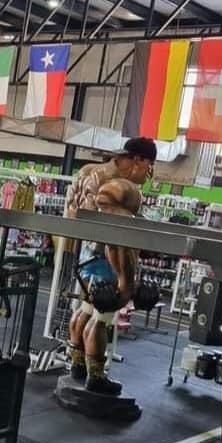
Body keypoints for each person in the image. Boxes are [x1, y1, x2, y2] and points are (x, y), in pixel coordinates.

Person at [63, 137, 156, 395]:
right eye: (148, 166)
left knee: (84, 309)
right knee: (101, 318)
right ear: (137, 160)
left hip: (85, 254)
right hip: (106, 257)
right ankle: (96, 376)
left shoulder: (89, 172)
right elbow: (118, 233)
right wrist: (127, 281)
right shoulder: (117, 187)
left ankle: (78, 365)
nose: (147, 174)